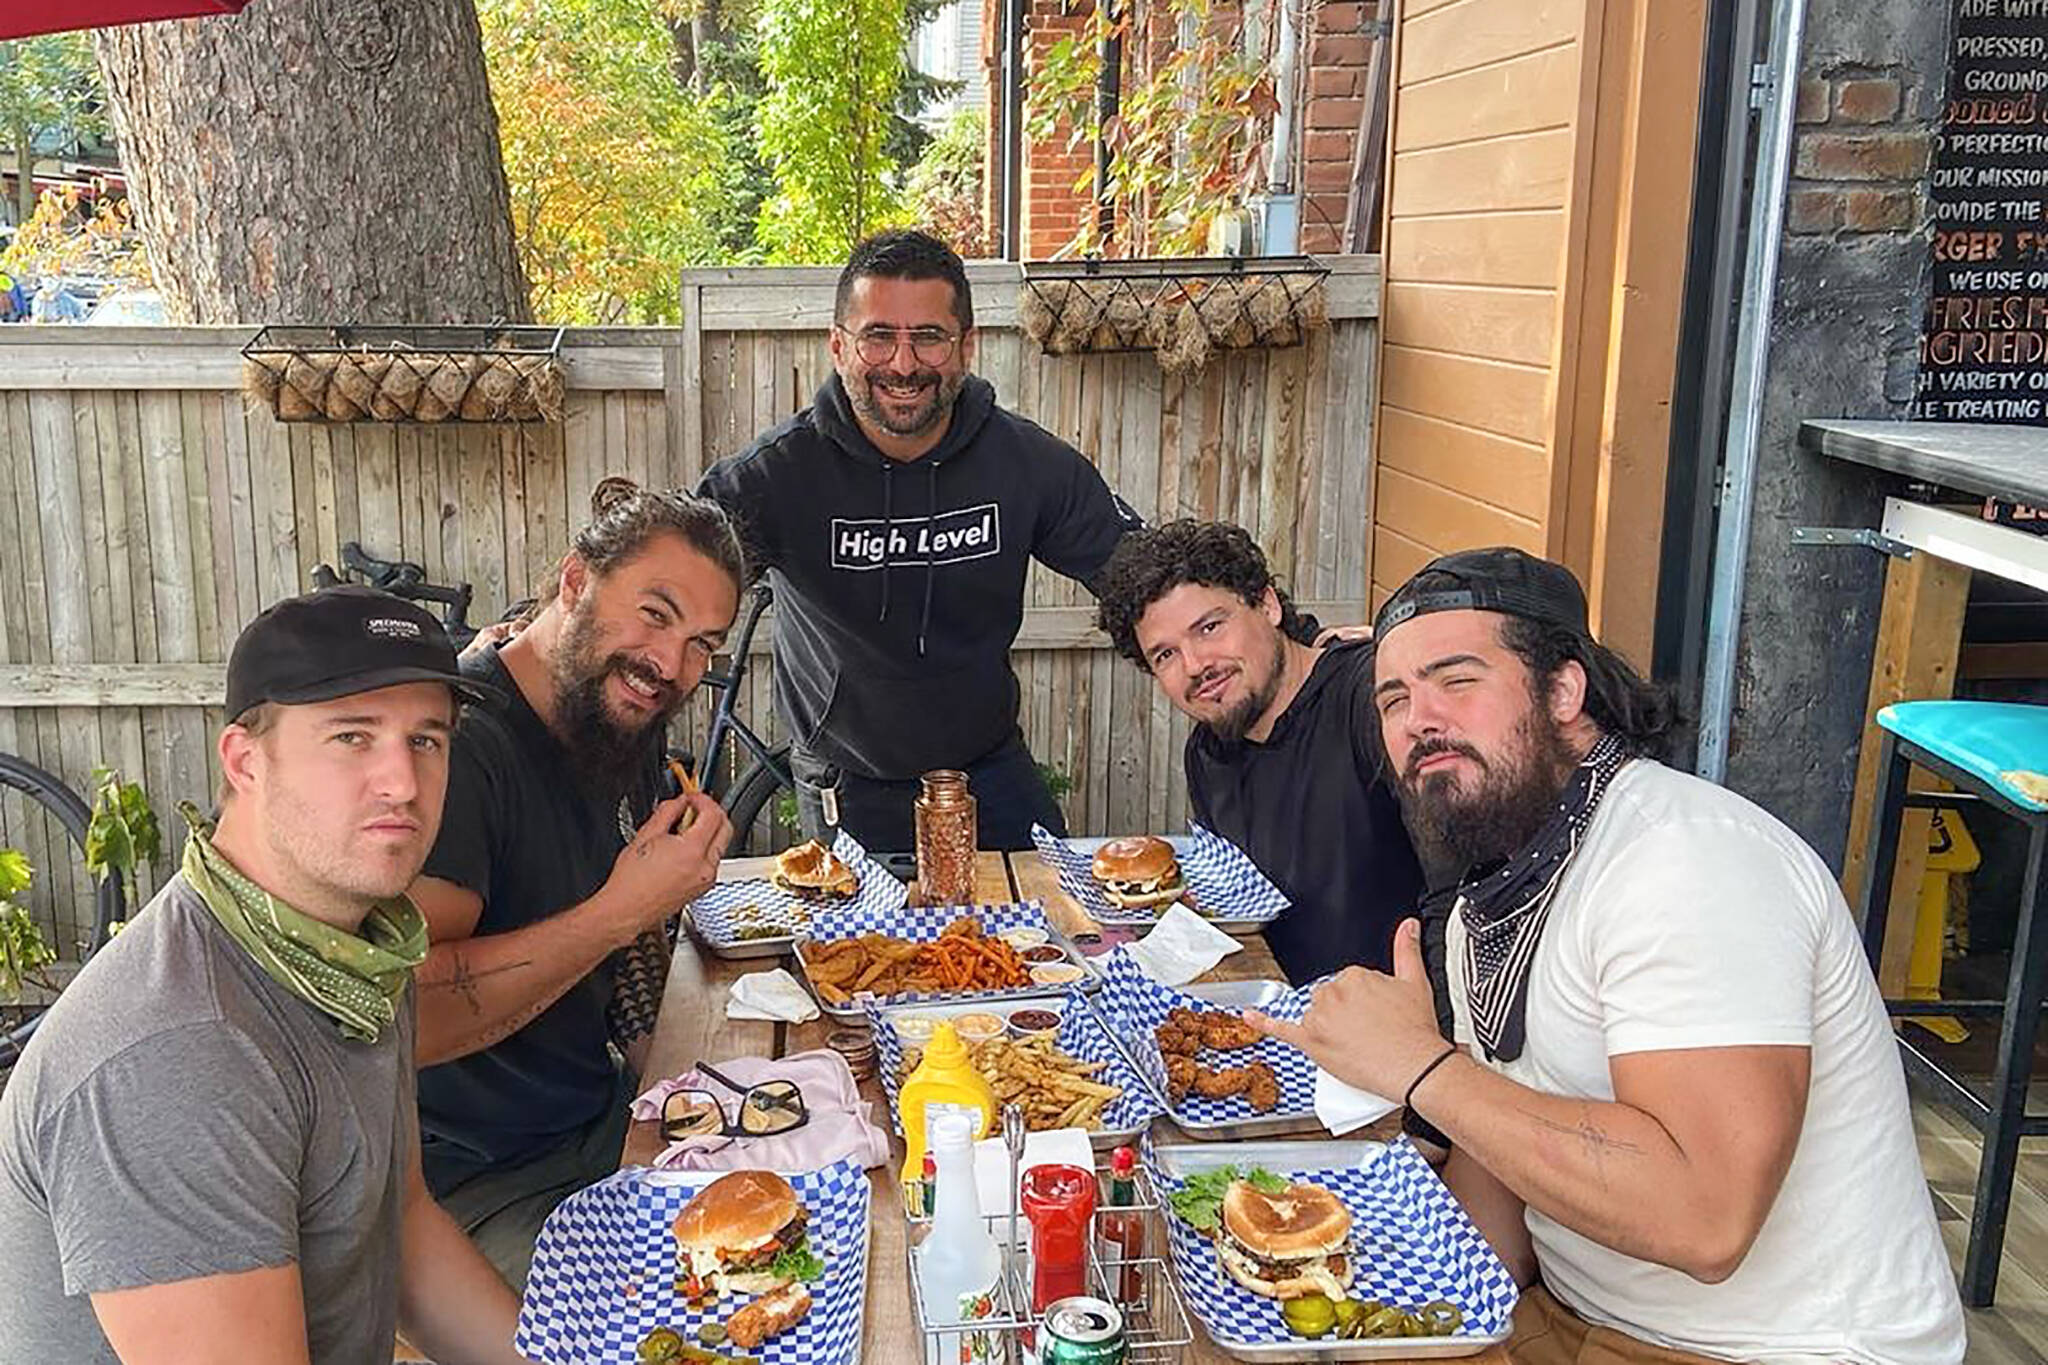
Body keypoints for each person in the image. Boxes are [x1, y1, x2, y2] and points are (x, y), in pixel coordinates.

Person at [1252, 547, 1965, 1364]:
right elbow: (1502, 1211)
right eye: (1394, 698)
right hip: (1572, 1316)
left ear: (1564, 689)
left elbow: (1707, 1219)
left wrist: (1422, 1068)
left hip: (1779, 1347)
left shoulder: (1687, 861)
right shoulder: (1492, 895)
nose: (1418, 719)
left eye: (1457, 680)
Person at [0, 586, 530, 1365]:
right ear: (245, 761)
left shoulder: (354, 951)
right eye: (353, 735)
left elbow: (405, 1228)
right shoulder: (181, 1053)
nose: (403, 783)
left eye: (427, 739)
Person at [697, 228, 1142, 853]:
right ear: (838, 346)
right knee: (859, 951)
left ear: (965, 347)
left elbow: (1148, 575)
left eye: (928, 338)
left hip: (987, 774)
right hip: (844, 783)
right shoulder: (775, 476)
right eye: (879, 337)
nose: (903, 365)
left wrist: (1287, 632)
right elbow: (663, 576)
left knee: (1052, 935)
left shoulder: (1025, 464)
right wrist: (543, 633)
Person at [407, 479, 742, 1289]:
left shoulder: (611, 722)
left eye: (704, 642)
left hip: (602, 1125)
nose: (671, 664)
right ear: (574, 581)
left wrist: (687, 1083)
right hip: (468, 1188)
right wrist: (620, 912)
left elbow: (625, 964)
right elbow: (406, 1017)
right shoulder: (460, 748)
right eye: (654, 613)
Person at [1093, 519, 1425, 982]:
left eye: (1209, 627)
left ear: (1267, 604)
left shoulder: (1370, 700)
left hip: (1399, 1028)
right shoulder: (1209, 754)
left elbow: (1467, 888)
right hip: (1276, 1014)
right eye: (1165, 655)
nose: (1195, 665)